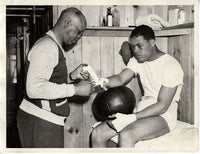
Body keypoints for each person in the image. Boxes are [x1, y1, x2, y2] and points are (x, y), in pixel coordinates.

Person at [91, 25, 184, 147]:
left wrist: (132, 118)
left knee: (127, 134)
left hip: (164, 115)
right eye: (133, 47)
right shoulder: (137, 60)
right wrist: (100, 80)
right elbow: (120, 78)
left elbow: (162, 106)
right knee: (98, 133)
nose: (135, 51)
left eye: (140, 46)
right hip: (143, 109)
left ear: (152, 43)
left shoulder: (171, 66)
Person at [16, 7, 92, 148]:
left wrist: (72, 76)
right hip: (40, 121)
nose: (78, 38)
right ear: (66, 22)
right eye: (78, 32)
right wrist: (75, 89)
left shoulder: (52, 44)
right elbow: (34, 88)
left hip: (43, 119)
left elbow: (49, 81)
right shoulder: (48, 46)